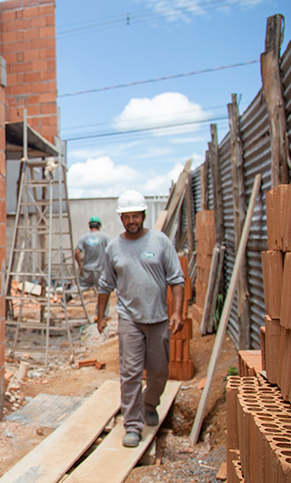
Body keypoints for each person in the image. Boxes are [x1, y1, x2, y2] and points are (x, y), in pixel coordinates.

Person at [95, 190, 184, 449]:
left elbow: (176, 279)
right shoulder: (114, 247)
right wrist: (101, 316)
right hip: (129, 319)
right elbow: (105, 285)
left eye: (136, 215)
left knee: (158, 371)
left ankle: (150, 404)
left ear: (144, 215)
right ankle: (133, 425)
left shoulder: (160, 242)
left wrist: (178, 312)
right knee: (131, 373)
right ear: (121, 218)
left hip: (158, 318)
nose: (132, 220)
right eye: (127, 216)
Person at [75, 216, 111, 316]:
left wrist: (80, 266)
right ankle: (102, 315)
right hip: (100, 269)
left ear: (89, 226)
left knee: (80, 287)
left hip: (87, 269)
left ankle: (66, 297)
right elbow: (110, 252)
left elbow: (77, 251)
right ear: (99, 226)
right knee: (103, 291)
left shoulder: (84, 237)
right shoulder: (105, 237)